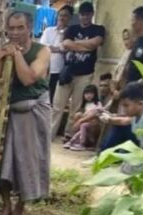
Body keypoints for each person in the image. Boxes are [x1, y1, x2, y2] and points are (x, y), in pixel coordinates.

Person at [0, 11, 51, 215]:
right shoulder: (6, 49)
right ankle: (5, 204)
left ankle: (20, 207)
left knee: (28, 161)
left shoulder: (42, 51)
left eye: (20, 28)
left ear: (29, 28)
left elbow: (28, 78)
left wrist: (16, 55)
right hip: (10, 112)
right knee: (4, 160)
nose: (15, 32)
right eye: (11, 28)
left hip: (34, 112)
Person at [50, 1, 105, 140]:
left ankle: (69, 134)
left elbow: (95, 43)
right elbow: (66, 43)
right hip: (68, 72)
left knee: (76, 106)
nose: (84, 17)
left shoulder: (98, 29)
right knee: (57, 105)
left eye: (87, 15)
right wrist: (86, 46)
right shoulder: (72, 29)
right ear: (79, 15)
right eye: (82, 15)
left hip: (85, 73)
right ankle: (49, 133)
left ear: (92, 14)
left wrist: (75, 44)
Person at [100, 81, 143, 152]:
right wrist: (109, 118)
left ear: (140, 103)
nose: (124, 109)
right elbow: (123, 121)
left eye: (126, 106)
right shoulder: (136, 116)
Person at [40, 5, 73, 103]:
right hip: (46, 69)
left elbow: (68, 49)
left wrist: (56, 48)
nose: (62, 18)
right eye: (60, 15)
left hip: (60, 70)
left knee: (55, 98)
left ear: (70, 18)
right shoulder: (48, 31)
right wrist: (60, 49)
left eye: (65, 16)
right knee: (43, 96)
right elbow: (44, 47)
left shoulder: (70, 33)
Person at [64, 84, 103, 150]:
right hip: (86, 126)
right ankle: (72, 141)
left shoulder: (97, 104)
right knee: (79, 118)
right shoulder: (85, 105)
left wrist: (81, 120)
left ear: (95, 94)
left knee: (83, 125)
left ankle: (81, 143)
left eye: (91, 93)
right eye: (86, 93)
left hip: (93, 127)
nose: (88, 95)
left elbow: (94, 114)